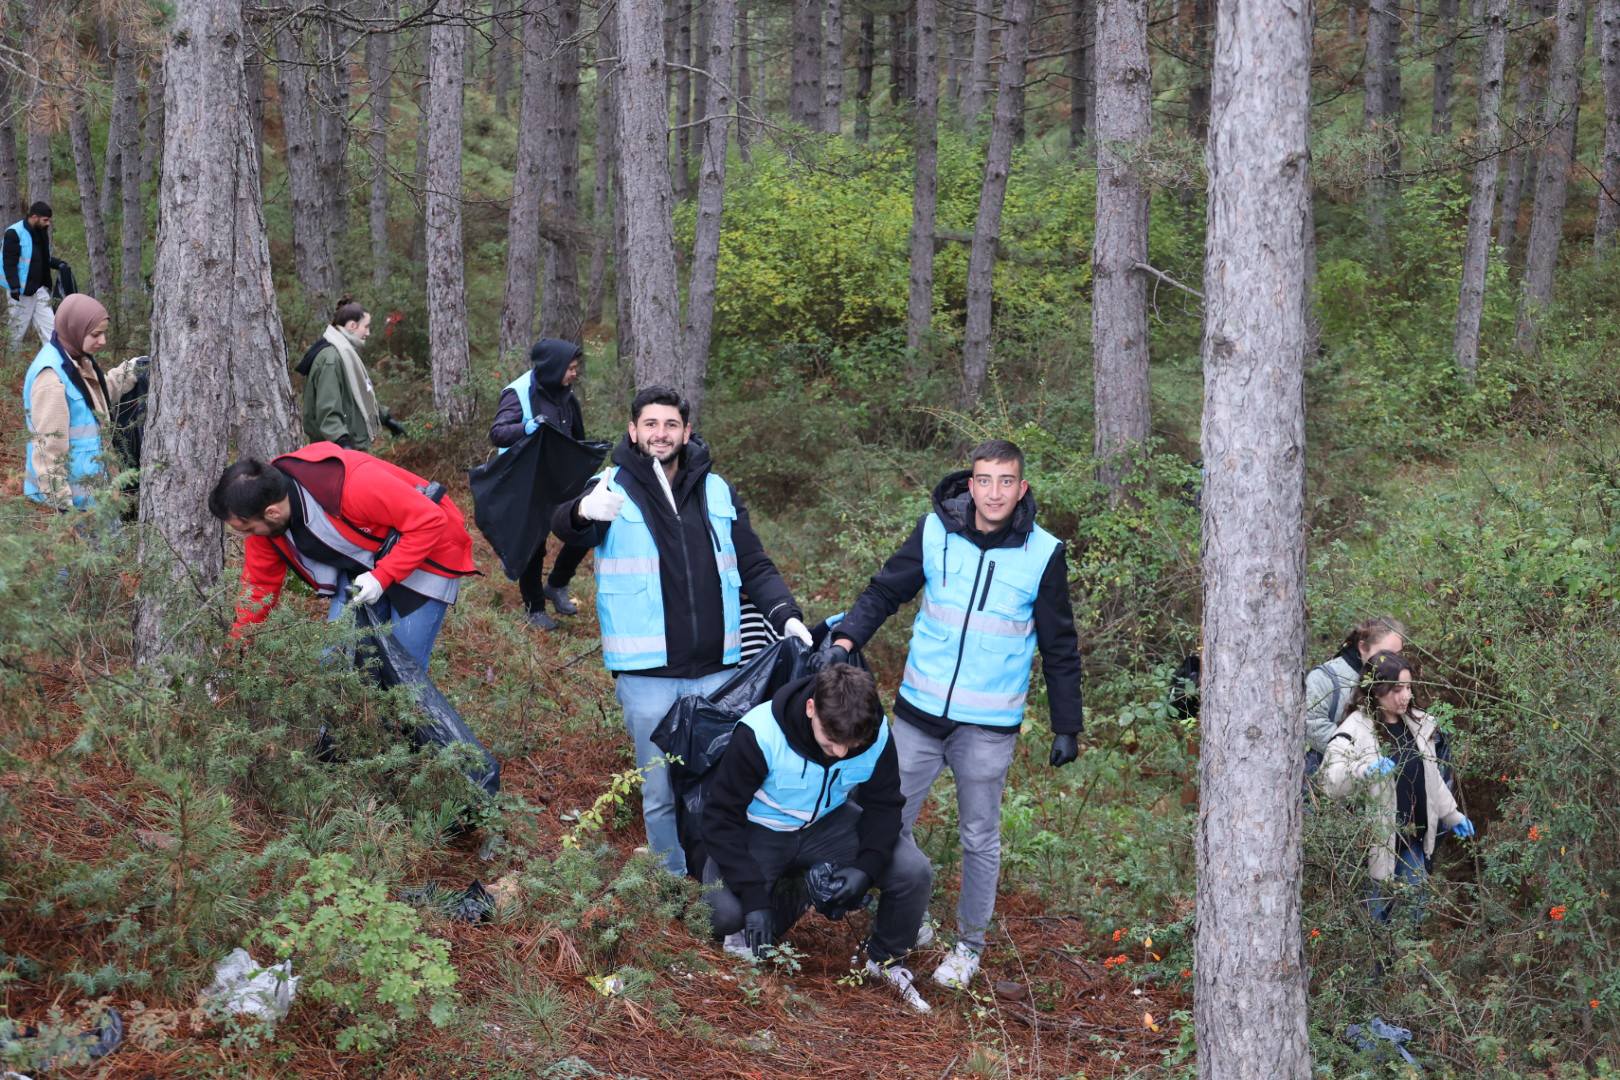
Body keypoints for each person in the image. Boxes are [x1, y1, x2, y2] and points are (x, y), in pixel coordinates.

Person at [830, 438, 1084, 991]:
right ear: (970, 485)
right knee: (883, 820)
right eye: (984, 481)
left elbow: (1059, 645)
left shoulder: (1043, 554)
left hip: (986, 727)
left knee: (979, 836)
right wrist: (847, 637)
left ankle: (969, 946)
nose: (994, 493)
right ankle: (908, 918)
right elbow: (884, 590)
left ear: (1022, 489)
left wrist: (1068, 724)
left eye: (1006, 482)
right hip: (918, 715)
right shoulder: (934, 532)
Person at [551, 385, 812, 877]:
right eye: (650, 424)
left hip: (719, 673)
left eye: (670, 425)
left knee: (724, 782)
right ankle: (671, 881)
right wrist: (583, 512)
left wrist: (785, 613)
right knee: (661, 788)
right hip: (647, 674)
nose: (660, 434)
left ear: (686, 432)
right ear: (633, 431)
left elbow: (753, 561)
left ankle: (715, 878)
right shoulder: (610, 485)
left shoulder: (717, 490)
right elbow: (565, 524)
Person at [703, 664, 935, 1012]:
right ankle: (789, 892)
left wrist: (864, 869)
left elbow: (885, 806)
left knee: (912, 870)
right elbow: (719, 819)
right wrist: (753, 899)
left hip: (828, 827)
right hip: (759, 831)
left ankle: (885, 962)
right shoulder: (761, 733)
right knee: (726, 915)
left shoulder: (874, 734)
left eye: (851, 745)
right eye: (831, 741)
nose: (841, 753)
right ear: (811, 708)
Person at [209, 444, 478, 669]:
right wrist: (235, 650)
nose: (247, 536)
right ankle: (355, 725)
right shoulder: (266, 527)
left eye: (246, 528)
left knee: (403, 671)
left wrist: (382, 577)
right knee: (334, 661)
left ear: (271, 513)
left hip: (430, 557)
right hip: (365, 568)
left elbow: (430, 521)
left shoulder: (350, 485)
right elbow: (259, 587)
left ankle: (399, 730)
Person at [1319, 651, 1474, 923]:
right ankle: (1381, 963)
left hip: (1414, 841)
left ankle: (1406, 964)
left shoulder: (1417, 723)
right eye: (1396, 689)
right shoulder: (1355, 728)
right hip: (1377, 847)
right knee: (1378, 922)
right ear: (1377, 690)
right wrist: (1363, 771)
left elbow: (1431, 777)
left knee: (1413, 915)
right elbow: (1330, 780)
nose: (1405, 696)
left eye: (1408, 687)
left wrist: (1452, 815)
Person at [488, 338, 591, 631]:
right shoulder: (519, 392)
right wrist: (527, 427)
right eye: (570, 368)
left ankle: (557, 583)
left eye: (575, 368)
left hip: (560, 477)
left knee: (587, 521)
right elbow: (498, 433)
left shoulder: (566, 396)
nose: (574, 374)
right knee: (534, 544)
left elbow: (577, 436)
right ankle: (534, 608)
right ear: (554, 367)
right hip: (526, 480)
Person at [21, 293, 145, 510]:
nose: (103, 341)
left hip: (94, 497)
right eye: (96, 334)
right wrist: (64, 510)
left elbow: (93, 401)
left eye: (104, 333)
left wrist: (129, 371)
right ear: (74, 328)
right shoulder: (51, 377)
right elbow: (48, 449)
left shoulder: (73, 358)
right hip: (77, 507)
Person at [297, 297, 405, 451]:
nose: (368, 332)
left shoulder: (345, 353)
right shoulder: (331, 359)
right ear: (353, 326)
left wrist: (386, 419)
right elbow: (328, 410)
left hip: (351, 448)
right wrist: (343, 444)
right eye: (366, 327)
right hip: (335, 454)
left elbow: (358, 395)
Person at [1304, 616, 1406, 772]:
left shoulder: (1397, 678)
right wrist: (1363, 754)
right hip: (1333, 774)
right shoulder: (1324, 678)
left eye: (1397, 654)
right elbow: (1313, 726)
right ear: (1363, 648)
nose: (1393, 661)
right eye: (1386, 654)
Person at [5, 202, 59, 349]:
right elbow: (8, 263)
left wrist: (59, 264)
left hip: (39, 289)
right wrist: (14, 287)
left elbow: (41, 257)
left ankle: (54, 364)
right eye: (45, 220)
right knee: (16, 332)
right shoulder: (14, 232)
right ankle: (8, 364)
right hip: (20, 291)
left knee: (52, 329)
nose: (48, 223)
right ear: (34, 217)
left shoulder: (41, 231)